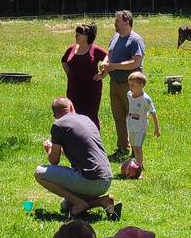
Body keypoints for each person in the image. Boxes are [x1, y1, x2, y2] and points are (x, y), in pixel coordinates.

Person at [34, 98, 120, 220]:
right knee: (65, 205)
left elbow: (54, 160)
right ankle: (103, 201)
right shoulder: (86, 120)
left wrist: (49, 149)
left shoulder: (58, 125)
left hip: (88, 180)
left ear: (54, 115)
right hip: (105, 179)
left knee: (39, 173)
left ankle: (79, 203)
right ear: (72, 108)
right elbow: (81, 149)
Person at [99, 10, 146, 158]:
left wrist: (114, 66)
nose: (115, 23)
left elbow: (136, 62)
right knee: (118, 117)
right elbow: (109, 53)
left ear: (127, 21)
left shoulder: (135, 40)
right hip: (115, 83)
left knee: (134, 118)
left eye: (117, 20)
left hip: (130, 85)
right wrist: (106, 63)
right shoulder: (115, 37)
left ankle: (135, 152)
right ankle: (122, 149)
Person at [61, 23, 108, 130]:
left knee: (91, 116)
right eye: (76, 33)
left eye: (79, 34)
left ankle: (94, 141)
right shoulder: (72, 49)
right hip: (73, 89)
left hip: (91, 90)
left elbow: (108, 56)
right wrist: (69, 73)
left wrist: (103, 73)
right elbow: (64, 60)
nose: (76, 36)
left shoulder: (94, 49)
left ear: (87, 36)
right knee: (73, 115)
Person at [123, 72, 158, 170]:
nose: (130, 87)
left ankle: (139, 169)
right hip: (131, 125)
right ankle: (138, 166)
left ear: (141, 85)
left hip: (141, 127)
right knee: (134, 147)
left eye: (132, 85)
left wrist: (156, 129)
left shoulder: (146, 99)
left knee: (138, 148)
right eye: (129, 85)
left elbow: (153, 113)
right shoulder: (129, 95)